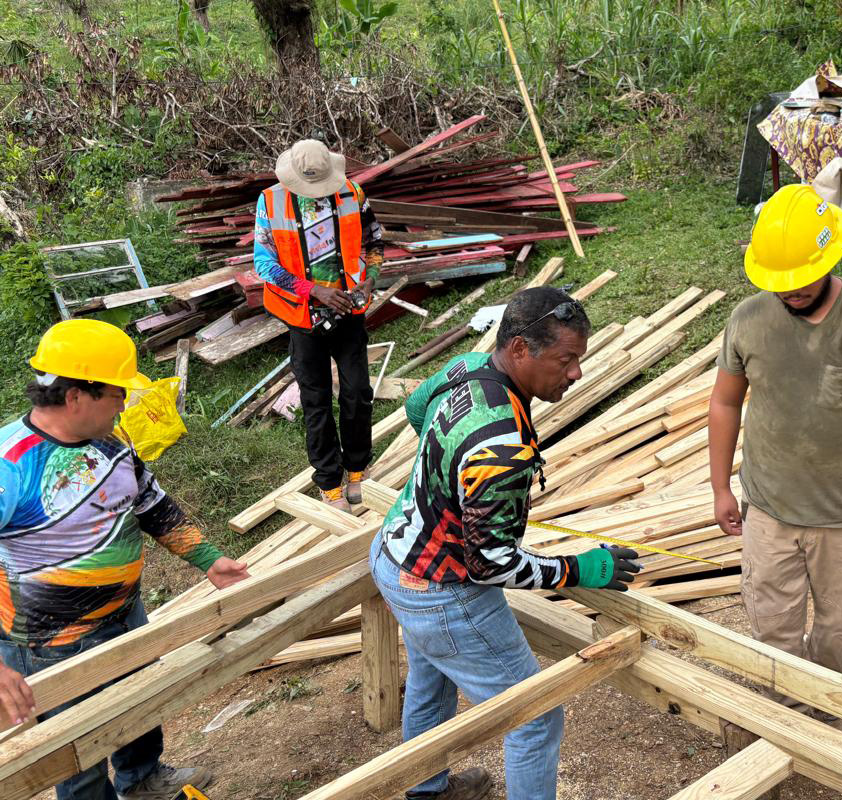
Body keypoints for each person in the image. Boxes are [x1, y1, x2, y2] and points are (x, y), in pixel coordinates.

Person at [370, 287, 641, 800]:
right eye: (566, 359)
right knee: (534, 716)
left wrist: (448, 475)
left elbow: (415, 406)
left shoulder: (467, 366)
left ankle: (427, 791)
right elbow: (490, 565)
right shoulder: (500, 448)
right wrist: (578, 569)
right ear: (519, 349)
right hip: (442, 592)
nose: (576, 373)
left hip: (393, 555)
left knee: (431, 679)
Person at [0, 319, 250, 800]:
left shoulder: (111, 440)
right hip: (51, 643)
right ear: (76, 395)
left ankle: (143, 779)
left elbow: (150, 503)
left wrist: (208, 559)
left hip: (124, 614)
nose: (123, 403)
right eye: (117, 393)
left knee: (138, 706)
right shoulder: (10, 465)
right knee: (78, 752)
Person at [708, 184, 842, 707]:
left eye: (802, 278)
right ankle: (785, 721)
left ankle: (825, 718)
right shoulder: (748, 320)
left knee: (836, 635)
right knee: (772, 634)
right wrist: (720, 487)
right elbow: (724, 404)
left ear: (829, 258)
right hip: (769, 510)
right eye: (779, 281)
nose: (791, 291)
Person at [255, 138, 385, 510]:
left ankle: (357, 468)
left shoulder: (352, 193)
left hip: (349, 311)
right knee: (316, 401)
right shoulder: (271, 201)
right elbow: (264, 264)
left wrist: (370, 278)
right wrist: (313, 290)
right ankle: (329, 482)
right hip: (302, 316)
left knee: (357, 391)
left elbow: (375, 242)